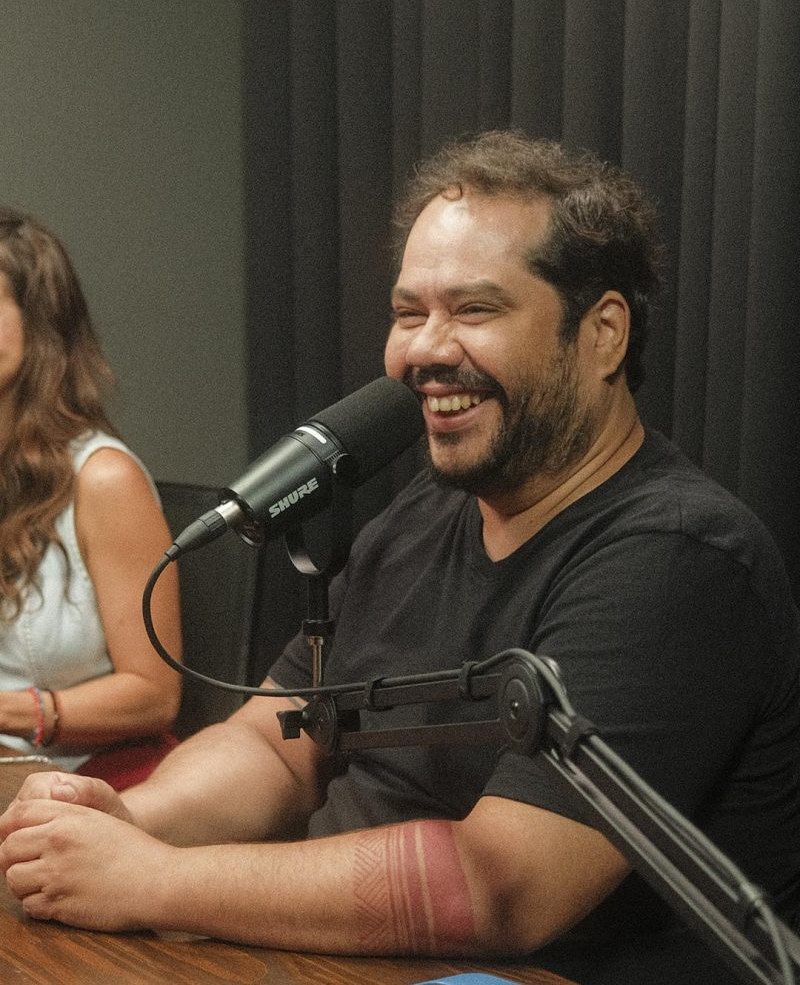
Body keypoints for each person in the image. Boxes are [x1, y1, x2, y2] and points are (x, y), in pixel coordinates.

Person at [1, 133, 798, 985]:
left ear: (602, 334)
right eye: (410, 312)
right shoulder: (426, 510)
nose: (424, 350)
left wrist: (154, 880)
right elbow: (278, 743)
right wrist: (128, 818)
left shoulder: (677, 556)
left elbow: (501, 889)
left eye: (475, 310)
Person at [0, 207, 182, 789]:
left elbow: (154, 694)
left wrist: (8, 712)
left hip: (76, 777)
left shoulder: (104, 478)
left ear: (39, 323)